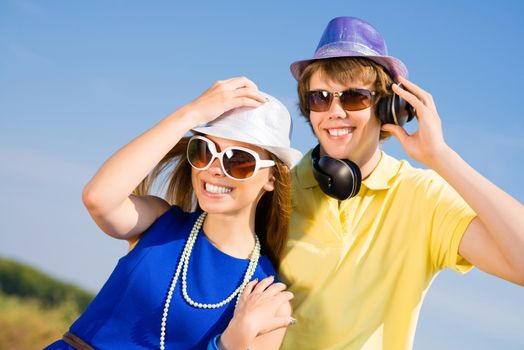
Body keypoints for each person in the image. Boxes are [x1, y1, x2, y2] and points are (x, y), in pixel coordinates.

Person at [278, 16, 524, 349]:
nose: (334, 111)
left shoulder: (422, 197)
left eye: (353, 98)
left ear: (389, 108)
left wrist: (441, 157)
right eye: (320, 98)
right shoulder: (277, 190)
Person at [45, 77, 302, 349]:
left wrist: (233, 341)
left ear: (272, 178)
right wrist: (191, 114)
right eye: (205, 151)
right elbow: (98, 198)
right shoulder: (159, 223)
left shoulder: (267, 298)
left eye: (239, 161)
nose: (214, 168)